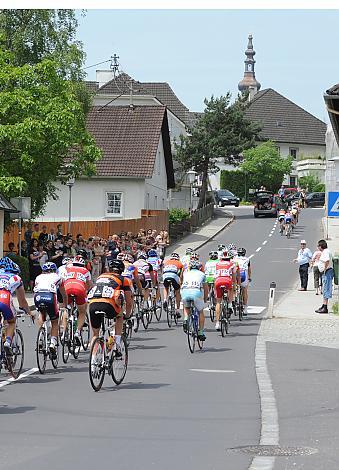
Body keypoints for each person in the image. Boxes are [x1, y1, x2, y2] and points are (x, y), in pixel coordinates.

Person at [88, 259, 132, 355]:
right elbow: (129, 302)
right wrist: (127, 315)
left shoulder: (101, 276)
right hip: (108, 304)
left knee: (95, 334)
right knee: (120, 317)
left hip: (93, 304)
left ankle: (93, 360)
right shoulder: (123, 279)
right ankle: (117, 346)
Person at [33, 262, 67, 358]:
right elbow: (63, 293)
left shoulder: (38, 277)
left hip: (38, 296)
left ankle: (41, 334)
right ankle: (52, 342)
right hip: (50, 296)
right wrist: (65, 303)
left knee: (41, 313)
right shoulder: (58, 277)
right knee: (54, 322)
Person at [0, 257, 34, 355]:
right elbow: (22, 301)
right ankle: (7, 342)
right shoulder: (16, 278)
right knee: (11, 322)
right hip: (4, 298)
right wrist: (29, 312)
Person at [62, 255, 93, 344]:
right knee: (82, 312)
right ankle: (77, 332)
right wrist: (86, 293)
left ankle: (64, 332)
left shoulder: (67, 269)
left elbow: (63, 280)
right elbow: (89, 285)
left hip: (67, 288)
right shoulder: (86, 271)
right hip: (79, 289)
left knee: (67, 309)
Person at [181, 259, 208, 341]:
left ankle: (186, 319)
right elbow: (206, 289)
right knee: (200, 312)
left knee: (186, 307)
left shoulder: (186, 273)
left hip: (185, 292)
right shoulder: (202, 274)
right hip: (196, 293)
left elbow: (181, 281)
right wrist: (205, 299)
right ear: (199, 267)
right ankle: (200, 332)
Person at [214, 249, 237, 331]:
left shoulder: (217, 263)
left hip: (218, 281)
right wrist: (234, 286)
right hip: (227, 280)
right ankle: (230, 304)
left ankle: (217, 323)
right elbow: (234, 277)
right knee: (231, 289)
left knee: (218, 302)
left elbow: (215, 276)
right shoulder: (232, 264)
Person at [162, 252, 183, 318]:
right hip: (173, 275)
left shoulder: (166, 262)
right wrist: (181, 282)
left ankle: (165, 299)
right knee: (177, 291)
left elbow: (163, 271)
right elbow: (181, 275)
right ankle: (177, 310)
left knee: (166, 287)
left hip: (165, 275)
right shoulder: (179, 263)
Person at [315, 240, 334, 314]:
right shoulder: (326, 251)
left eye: (318, 246)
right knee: (324, 288)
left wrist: (324, 269)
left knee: (326, 288)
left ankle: (325, 307)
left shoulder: (326, 252)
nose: (317, 247)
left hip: (327, 272)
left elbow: (327, 261)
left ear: (320, 246)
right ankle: (323, 305)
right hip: (327, 271)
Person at [235, 247, 252, 315]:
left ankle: (234, 300)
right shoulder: (247, 259)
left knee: (234, 288)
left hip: (236, 274)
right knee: (245, 290)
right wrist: (249, 277)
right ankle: (245, 308)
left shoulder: (234, 259)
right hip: (243, 274)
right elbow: (249, 270)